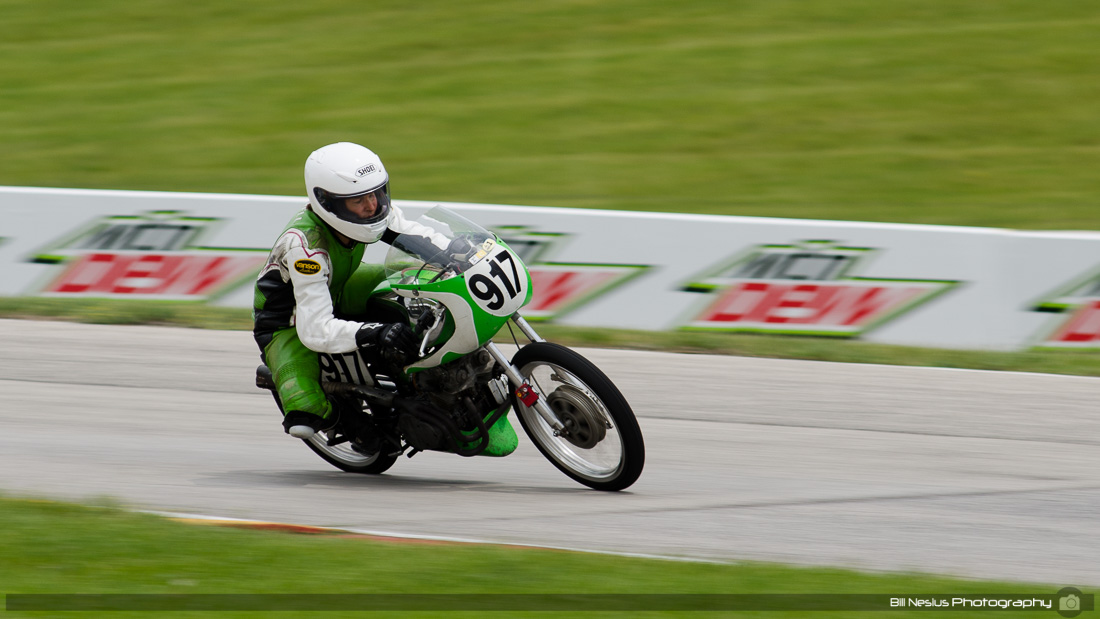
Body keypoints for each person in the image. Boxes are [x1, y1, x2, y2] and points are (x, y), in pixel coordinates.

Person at [253, 142, 447, 440]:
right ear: (328, 203)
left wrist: (458, 253)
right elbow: (314, 328)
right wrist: (375, 332)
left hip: (338, 288)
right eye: (358, 200)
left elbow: (416, 236)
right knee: (304, 419)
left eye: (376, 193)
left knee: (413, 271)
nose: (372, 205)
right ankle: (344, 418)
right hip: (289, 324)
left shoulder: (375, 210)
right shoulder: (306, 248)